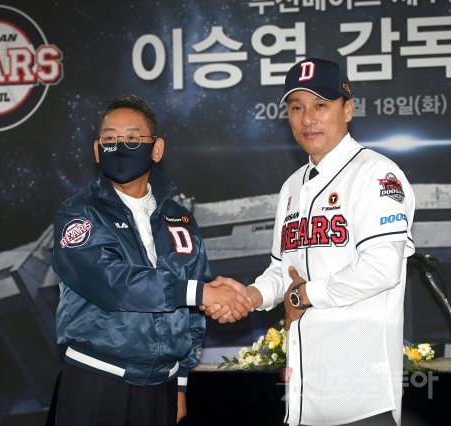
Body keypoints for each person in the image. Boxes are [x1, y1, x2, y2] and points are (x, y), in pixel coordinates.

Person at [205, 58, 415, 425]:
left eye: (321, 105)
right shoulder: (292, 186)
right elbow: (282, 270)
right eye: (297, 107)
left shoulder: (376, 174)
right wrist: (251, 295)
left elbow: (382, 268)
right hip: (304, 397)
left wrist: (304, 295)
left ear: (347, 110)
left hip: (362, 399)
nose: (308, 119)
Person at [48, 94, 254, 426]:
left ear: (156, 149)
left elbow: (193, 309)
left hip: (162, 386)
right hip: (96, 380)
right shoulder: (79, 213)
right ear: (97, 150)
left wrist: (181, 380)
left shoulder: (180, 218)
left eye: (132, 138)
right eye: (110, 139)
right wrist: (202, 293)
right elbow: (112, 283)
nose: (119, 147)